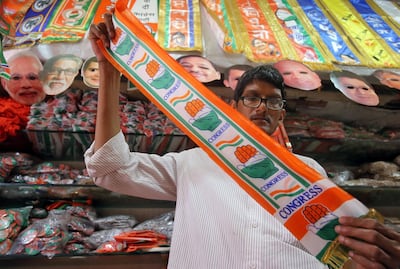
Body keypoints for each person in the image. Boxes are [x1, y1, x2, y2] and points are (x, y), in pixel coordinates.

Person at [85, 13, 400, 269]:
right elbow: (111, 168)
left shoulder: (308, 168)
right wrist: (109, 74)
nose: (263, 107)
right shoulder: (192, 163)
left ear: (281, 115)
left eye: (273, 102)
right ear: (233, 108)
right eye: (251, 99)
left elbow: (331, 246)